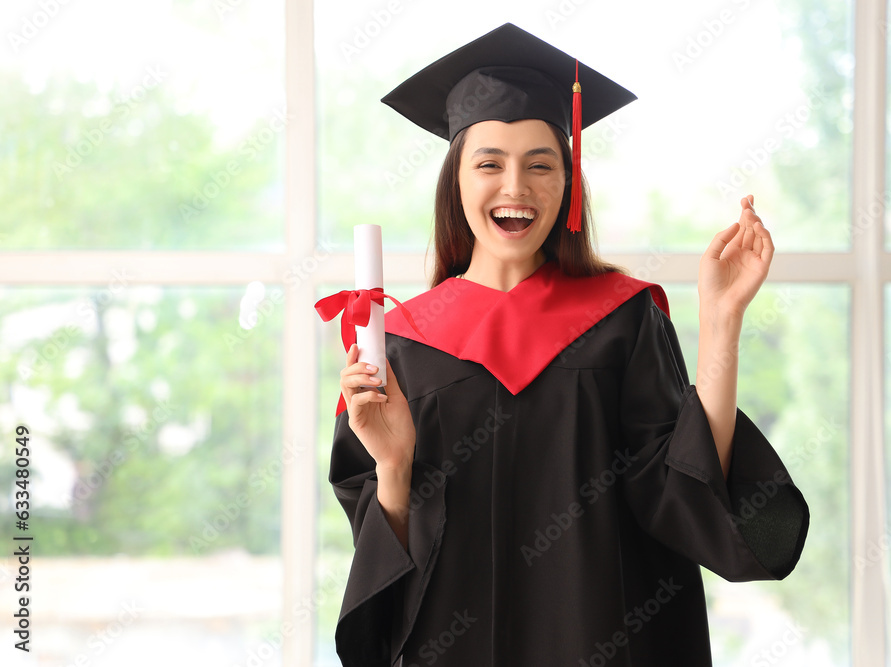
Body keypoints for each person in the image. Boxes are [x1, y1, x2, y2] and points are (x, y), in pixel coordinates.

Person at [327, 23, 809, 667]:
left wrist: (722, 320)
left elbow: (684, 492)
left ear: (568, 185)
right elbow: (380, 570)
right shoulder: (400, 347)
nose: (515, 187)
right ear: (457, 182)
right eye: (489, 163)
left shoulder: (622, 318)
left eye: (541, 164)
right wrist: (393, 466)